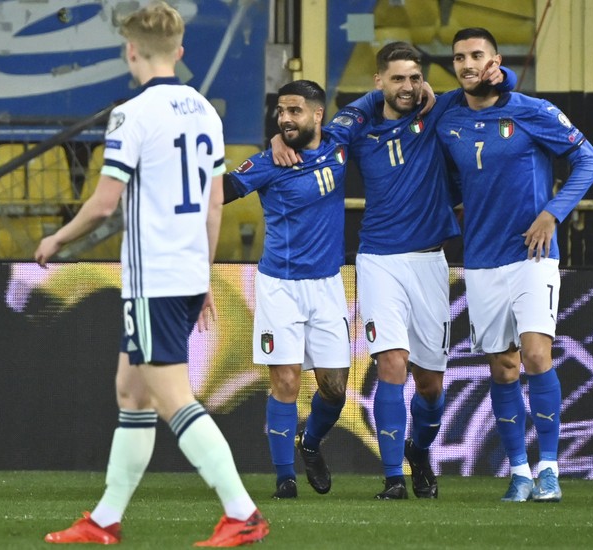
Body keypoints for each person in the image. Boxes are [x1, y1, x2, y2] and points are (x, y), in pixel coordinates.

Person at [35, 2, 268, 545]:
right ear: (180, 52)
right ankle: (105, 520)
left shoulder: (131, 114)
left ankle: (242, 512)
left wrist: (57, 238)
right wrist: (206, 275)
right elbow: (214, 208)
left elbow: (103, 203)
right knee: (132, 394)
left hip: (155, 279)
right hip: (186, 274)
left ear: (130, 50)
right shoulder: (206, 112)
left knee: (170, 398)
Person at [272, 42, 515, 499]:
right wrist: (279, 137)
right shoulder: (357, 124)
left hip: (430, 261)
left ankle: (418, 450)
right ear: (379, 81)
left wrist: (507, 79)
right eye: (397, 78)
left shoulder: (440, 111)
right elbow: (311, 132)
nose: (408, 86)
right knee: (392, 363)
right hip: (379, 260)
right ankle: (393, 479)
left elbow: (491, 88)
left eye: (414, 77)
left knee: (430, 385)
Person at [435, 27, 593, 503]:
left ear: (495, 60)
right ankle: (520, 472)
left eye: (477, 56)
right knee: (504, 368)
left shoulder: (532, 110)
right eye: (459, 58)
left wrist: (552, 213)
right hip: (481, 261)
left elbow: (589, 160)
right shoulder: (448, 115)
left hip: (532, 256)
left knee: (535, 357)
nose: (468, 64)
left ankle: (550, 469)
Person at [224, 80, 350, 500]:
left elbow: (377, 104)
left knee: (334, 389)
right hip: (280, 284)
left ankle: (310, 443)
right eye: (281, 112)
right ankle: (285, 477)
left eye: (295, 111)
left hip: (329, 284)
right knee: (286, 382)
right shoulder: (266, 162)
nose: (285, 119)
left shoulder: (341, 146)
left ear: (318, 115)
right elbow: (219, 192)